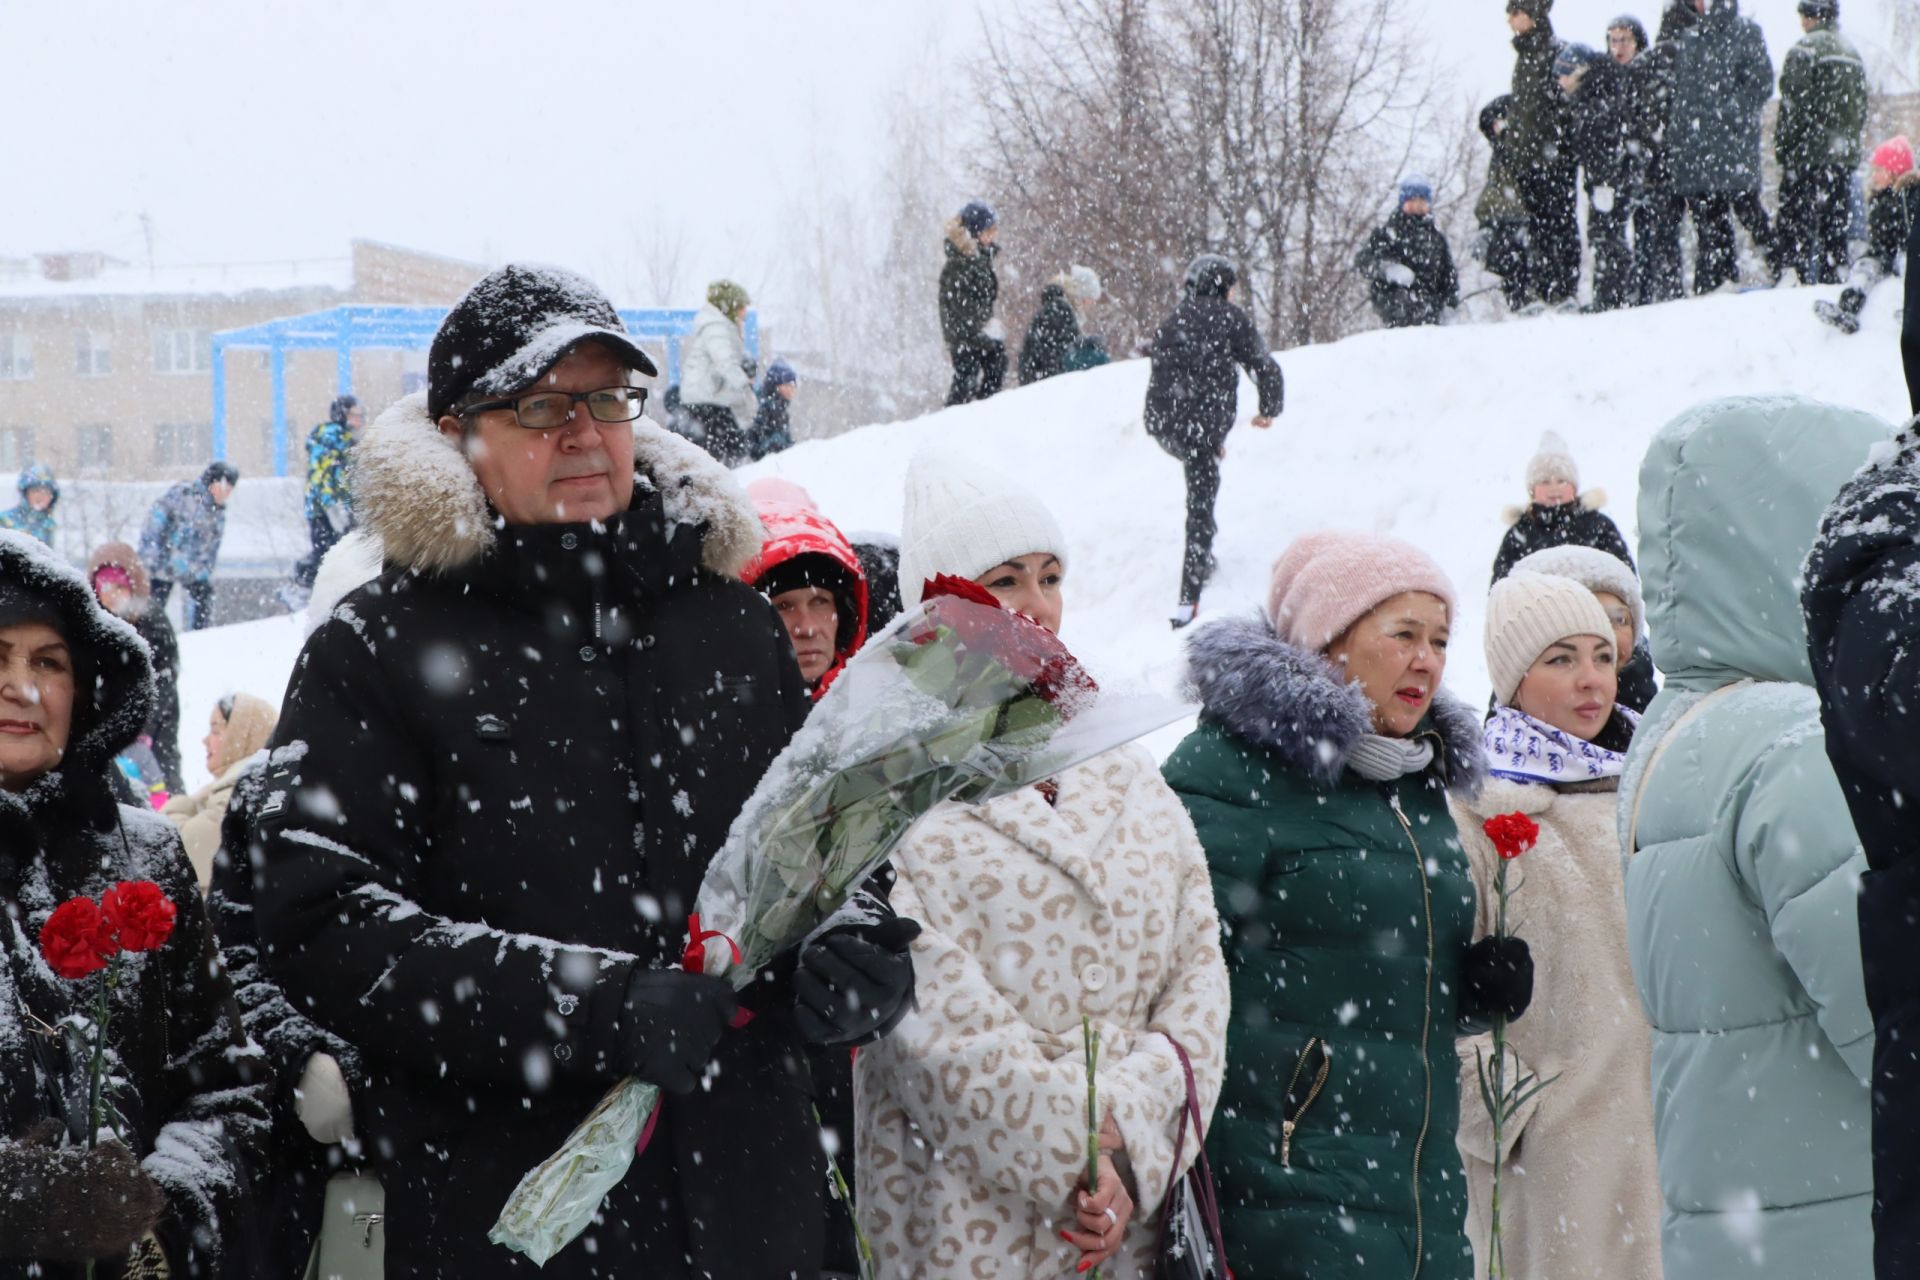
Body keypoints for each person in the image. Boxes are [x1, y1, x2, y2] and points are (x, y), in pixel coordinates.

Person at [248, 262, 919, 1278]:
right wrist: (590, 1005)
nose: (582, 430)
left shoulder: (734, 627)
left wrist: (853, 942)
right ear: (455, 435)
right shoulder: (373, 648)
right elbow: (323, 925)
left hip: (754, 1207)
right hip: (512, 1216)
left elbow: (826, 843)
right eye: (540, 405)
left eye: (606, 398)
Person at [858, 453, 1231, 1278]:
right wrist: (1074, 1154)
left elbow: (1197, 975)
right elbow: (930, 1024)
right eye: (1006, 579)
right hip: (965, 1213)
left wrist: (1131, 1148)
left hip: (1121, 1226)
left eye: (1050, 577)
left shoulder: (1128, 773)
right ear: (942, 604)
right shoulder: (889, 786)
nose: (1037, 607)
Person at [1162, 530, 1532, 1280]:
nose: (1426, 659)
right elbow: (1171, 975)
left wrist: (1466, 990)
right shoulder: (1232, 770)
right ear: (1327, 640)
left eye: (1438, 639)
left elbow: (1356, 963)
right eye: (1402, 635)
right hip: (1284, 1185)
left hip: (1416, 1189)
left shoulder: (1414, 782)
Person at [1623, 395, 1881, 1279]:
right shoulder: (1798, 744)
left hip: (1742, 1227)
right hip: (1848, 1225)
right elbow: (1889, 1007)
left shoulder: (1678, 733)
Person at [0, 529, 269, 1278]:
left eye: (47, 663)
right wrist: (23, 1205)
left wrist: (158, 1217)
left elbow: (226, 1090)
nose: (22, 689)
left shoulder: (145, 856)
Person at [1454, 571, 1660, 1280]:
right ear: (1512, 678)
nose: (1590, 679)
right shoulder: (1473, 808)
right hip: (1553, 1161)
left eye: (1603, 656)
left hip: (1664, 1134)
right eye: (1561, 658)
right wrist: (1508, 1114)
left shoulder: (1648, 782)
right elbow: (1432, 996)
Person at [1143, 254, 1285, 627]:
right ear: (1223, 286)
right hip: (1200, 425)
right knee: (1201, 503)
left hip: (1164, 424)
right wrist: (1269, 409)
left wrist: (1182, 427)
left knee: (1200, 475)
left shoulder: (1175, 318)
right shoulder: (1228, 317)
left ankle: (1201, 560)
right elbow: (1264, 365)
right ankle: (1187, 602)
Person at [1663, 0, 1777, 293]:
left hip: (1732, 149)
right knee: (1709, 226)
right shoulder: (1688, 37)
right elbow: (1679, 96)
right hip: (1698, 155)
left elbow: (1760, 83)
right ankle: (1716, 283)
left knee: (1749, 212)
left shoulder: (1745, 32)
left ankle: (1785, 267)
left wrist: (1726, 115)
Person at [739, 478, 869, 700]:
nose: (807, 628)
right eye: (783, 606)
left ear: (844, 614)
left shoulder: (878, 695)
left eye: (820, 602)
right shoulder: (719, 716)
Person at [1775, 0, 1869, 286]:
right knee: (1835, 226)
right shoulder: (1852, 52)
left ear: (1811, 16)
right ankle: (1836, 275)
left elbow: (1793, 106)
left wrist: (1785, 148)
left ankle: (1795, 278)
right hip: (1842, 157)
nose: (1801, 22)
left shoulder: (1804, 50)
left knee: (1796, 225)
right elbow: (1861, 107)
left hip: (1807, 155)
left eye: (1803, 15)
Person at [1511, 543, 1658, 713]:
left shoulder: (1653, 716)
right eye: (1590, 618)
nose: (1608, 635)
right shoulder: (1507, 732)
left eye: (1620, 619)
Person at [87, 542, 183, 794]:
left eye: (120, 586)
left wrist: (142, 728)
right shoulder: (90, 625)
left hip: (154, 724)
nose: (112, 594)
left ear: (134, 587)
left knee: (162, 775)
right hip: (108, 726)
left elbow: (164, 683)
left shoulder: (153, 623)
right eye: (105, 586)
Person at [1506, 0, 1581, 309]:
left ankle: (1563, 289)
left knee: (1560, 223)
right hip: (1529, 161)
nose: (1510, 20)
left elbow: (1568, 103)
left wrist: (1559, 147)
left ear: (1532, 16)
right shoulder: (1524, 58)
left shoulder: (1556, 51)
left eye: (1515, 13)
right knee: (1538, 228)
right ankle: (1545, 289)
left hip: (1554, 159)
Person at [160, 692, 276, 892]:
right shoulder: (251, 782)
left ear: (241, 735)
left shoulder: (237, 787)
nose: (205, 740)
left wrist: (181, 806)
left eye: (216, 730)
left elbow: (181, 848)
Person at [1558, 42, 1639, 311]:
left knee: (1607, 236)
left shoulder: (1596, 96)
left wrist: (1606, 181)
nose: (1560, 81)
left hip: (1609, 182)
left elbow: (1605, 142)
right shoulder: (1593, 94)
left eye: (1564, 73)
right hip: (1604, 180)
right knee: (1603, 236)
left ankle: (1612, 297)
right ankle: (1611, 295)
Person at [1491, 431, 1634, 582]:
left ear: (1574, 488)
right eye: (1545, 482)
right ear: (1532, 491)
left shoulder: (1599, 526)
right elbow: (1500, 589)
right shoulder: (1519, 534)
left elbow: (1625, 579)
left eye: (1561, 481)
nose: (1554, 488)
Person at [1616, 12, 1687, 304]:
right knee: (1643, 237)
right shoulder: (1618, 78)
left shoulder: (1651, 72)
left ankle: (1663, 294)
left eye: (1624, 40)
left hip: (1658, 169)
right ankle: (1645, 294)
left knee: (1663, 238)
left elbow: (1656, 124)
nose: (1618, 47)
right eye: (1613, 40)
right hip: (1637, 172)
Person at [1816, 136, 1919, 334]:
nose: (1874, 176)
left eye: (1879, 171)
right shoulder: (1878, 201)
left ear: (1894, 172)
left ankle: (1912, 311)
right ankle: (1847, 308)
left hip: (1908, 251)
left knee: (1909, 266)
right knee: (1864, 268)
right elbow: (1880, 238)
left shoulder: (1909, 196)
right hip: (1884, 253)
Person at [140, 461, 237, 631]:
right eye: (225, 488)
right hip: (163, 566)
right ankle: (148, 640)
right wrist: (152, 557)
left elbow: (212, 548)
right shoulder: (184, 495)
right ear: (213, 482)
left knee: (203, 599)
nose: (227, 494)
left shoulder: (218, 513)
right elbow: (155, 523)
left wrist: (204, 571)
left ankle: (199, 637)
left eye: (230, 490)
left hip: (192, 570)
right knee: (153, 610)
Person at [1356, 175, 1461, 327]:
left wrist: (1449, 306)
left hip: (1431, 315)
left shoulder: (1436, 239)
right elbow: (1364, 261)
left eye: (1422, 202)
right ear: (1403, 203)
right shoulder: (1387, 233)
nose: (1417, 207)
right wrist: (1389, 269)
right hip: (1396, 311)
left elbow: (1449, 276)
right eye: (1412, 202)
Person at [680, 279, 759, 466]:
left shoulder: (720, 325)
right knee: (727, 451)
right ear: (729, 306)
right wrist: (744, 384)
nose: (744, 313)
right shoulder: (717, 327)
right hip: (707, 399)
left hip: (710, 398)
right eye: (741, 307)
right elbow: (725, 362)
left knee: (727, 449)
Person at [291, 394, 363, 593]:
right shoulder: (330, 437)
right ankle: (299, 588)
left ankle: (322, 592)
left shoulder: (346, 440)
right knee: (326, 555)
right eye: (355, 415)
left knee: (338, 556)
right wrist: (332, 506)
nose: (359, 420)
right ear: (342, 415)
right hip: (325, 510)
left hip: (340, 508)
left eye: (360, 415)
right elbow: (321, 475)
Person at [939, 200, 1005, 406]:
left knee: (997, 362)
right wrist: (984, 324)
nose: (992, 237)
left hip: (975, 329)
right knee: (967, 376)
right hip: (963, 333)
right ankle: (954, 416)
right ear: (975, 233)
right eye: (988, 231)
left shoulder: (980, 259)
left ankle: (984, 409)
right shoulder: (961, 262)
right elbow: (962, 303)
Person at [1475, 96, 1535, 312]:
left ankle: (1525, 299)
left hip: (1520, 213)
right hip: (1503, 215)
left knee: (1522, 259)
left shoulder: (1519, 150)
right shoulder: (1500, 153)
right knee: (1508, 261)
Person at [1019, 264, 1104, 383]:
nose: (1090, 305)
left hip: (1039, 374)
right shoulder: (1060, 311)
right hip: (1044, 377)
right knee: (1099, 358)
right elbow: (1057, 351)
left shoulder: (1059, 309)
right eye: (1090, 299)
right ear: (1082, 297)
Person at [751, 357, 797, 459]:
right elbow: (755, 444)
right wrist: (777, 444)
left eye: (793, 385)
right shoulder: (767, 408)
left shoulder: (781, 410)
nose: (791, 389)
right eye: (786, 385)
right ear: (775, 386)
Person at [0, 463, 58, 546]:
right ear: (25, 493)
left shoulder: (48, 525)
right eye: (36, 490)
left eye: (47, 492)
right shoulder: (5, 520)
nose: (41, 495)